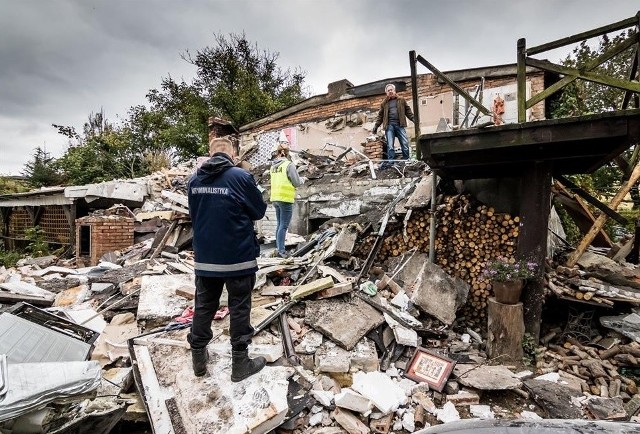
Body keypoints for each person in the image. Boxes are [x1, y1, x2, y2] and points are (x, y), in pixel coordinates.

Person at [187, 143, 268, 382]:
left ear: (211, 154)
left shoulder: (194, 180)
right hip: (237, 258)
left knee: (204, 306)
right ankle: (240, 365)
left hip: (206, 259)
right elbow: (258, 211)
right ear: (233, 154)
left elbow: (195, 214)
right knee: (239, 308)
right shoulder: (241, 176)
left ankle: (198, 362)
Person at [270, 142, 305, 258]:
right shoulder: (288, 165)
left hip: (275, 198)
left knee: (279, 224)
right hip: (285, 199)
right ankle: (281, 251)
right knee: (283, 226)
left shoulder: (273, 166)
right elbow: (296, 182)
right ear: (287, 153)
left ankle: (278, 248)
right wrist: (303, 179)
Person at [372, 83, 415, 168]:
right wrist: (376, 126)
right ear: (386, 93)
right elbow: (380, 116)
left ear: (395, 91)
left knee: (404, 143)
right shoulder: (384, 103)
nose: (390, 91)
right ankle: (391, 162)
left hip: (400, 125)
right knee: (390, 145)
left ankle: (406, 160)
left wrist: (414, 119)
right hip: (389, 126)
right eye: (388, 91)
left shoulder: (401, 100)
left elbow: (408, 111)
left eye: (391, 90)